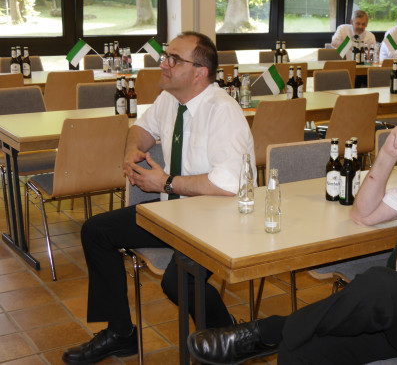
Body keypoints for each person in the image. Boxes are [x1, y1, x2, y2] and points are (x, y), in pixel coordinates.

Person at [186, 75, 397, 365]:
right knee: (300, 349)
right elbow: (363, 214)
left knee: (381, 284)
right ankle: (280, 336)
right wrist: (387, 156)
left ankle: (265, 332)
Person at [62, 31, 257, 365]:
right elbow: (142, 129)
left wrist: (166, 182)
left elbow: (230, 184)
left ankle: (229, 339)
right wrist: (133, 150)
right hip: (177, 214)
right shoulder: (171, 98)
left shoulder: (222, 111)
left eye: (174, 59)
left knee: (178, 282)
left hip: (218, 220)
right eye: (166, 56)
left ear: (199, 73)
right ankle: (121, 333)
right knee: (96, 231)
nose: (163, 64)